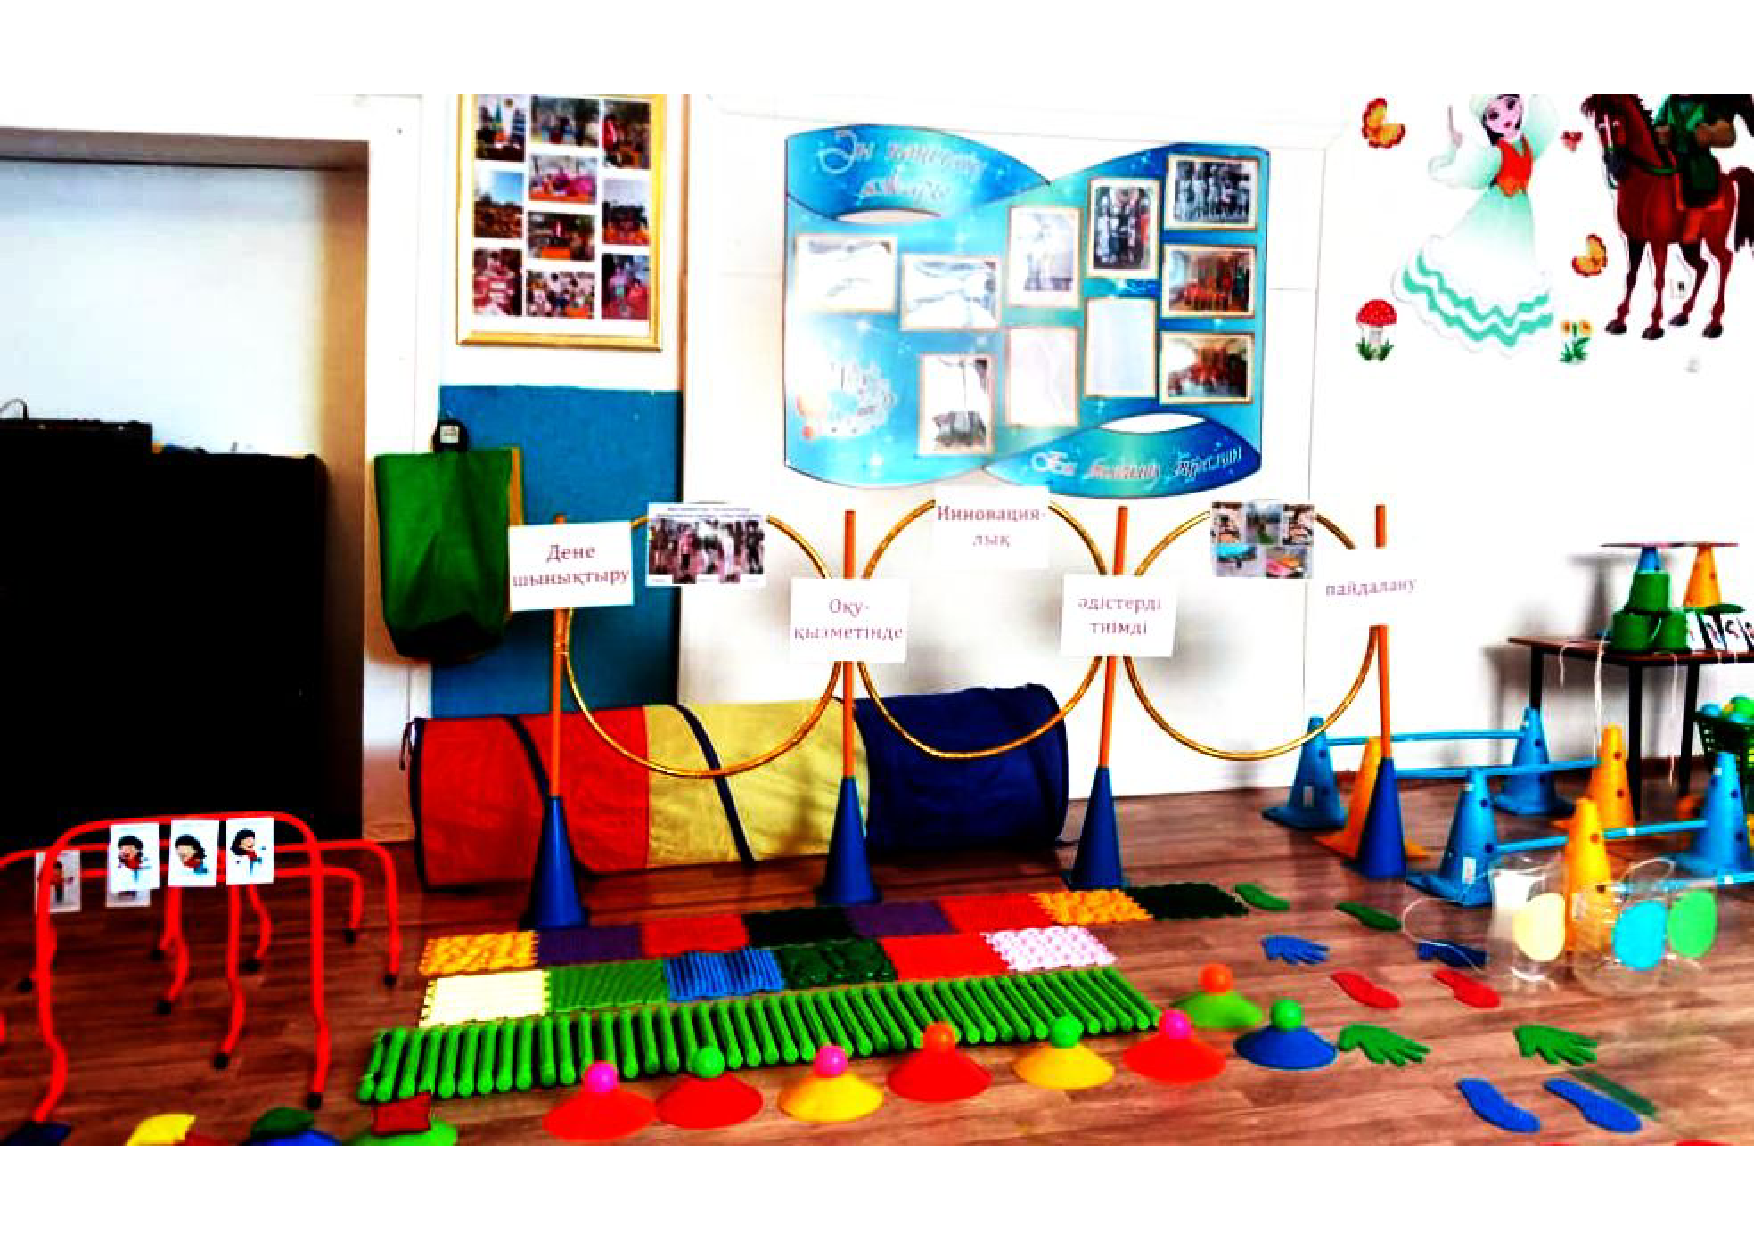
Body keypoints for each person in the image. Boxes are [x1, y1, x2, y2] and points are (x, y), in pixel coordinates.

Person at [1395, 94, 1557, 352]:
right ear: (1487, 124)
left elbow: (1545, 124)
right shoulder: (1496, 153)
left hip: (1520, 217)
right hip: (1495, 210)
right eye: (1494, 115)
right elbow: (1475, 165)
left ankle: (1502, 324)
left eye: (1510, 105)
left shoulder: (1529, 143)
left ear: (1520, 104)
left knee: (1512, 268)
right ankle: (1473, 318)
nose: (1506, 117)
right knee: (1475, 262)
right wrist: (1459, 145)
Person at [1653, 94, 1750, 210]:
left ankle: (1697, 214)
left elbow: (1728, 134)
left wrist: (1711, 134)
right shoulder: (1669, 102)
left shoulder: (1708, 105)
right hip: (1671, 158)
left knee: (1698, 189)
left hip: (1697, 160)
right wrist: (1660, 132)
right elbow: (1657, 125)